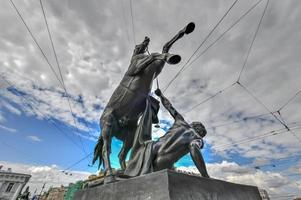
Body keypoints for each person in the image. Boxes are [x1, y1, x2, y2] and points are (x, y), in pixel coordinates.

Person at [123, 89, 210, 178]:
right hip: (164, 160)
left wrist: (161, 95)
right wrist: (205, 175)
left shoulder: (180, 121)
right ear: (200, 133)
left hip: (149, 149)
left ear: (192, 124)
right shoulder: (197, 138)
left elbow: (169, 106)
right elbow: (193, 147)